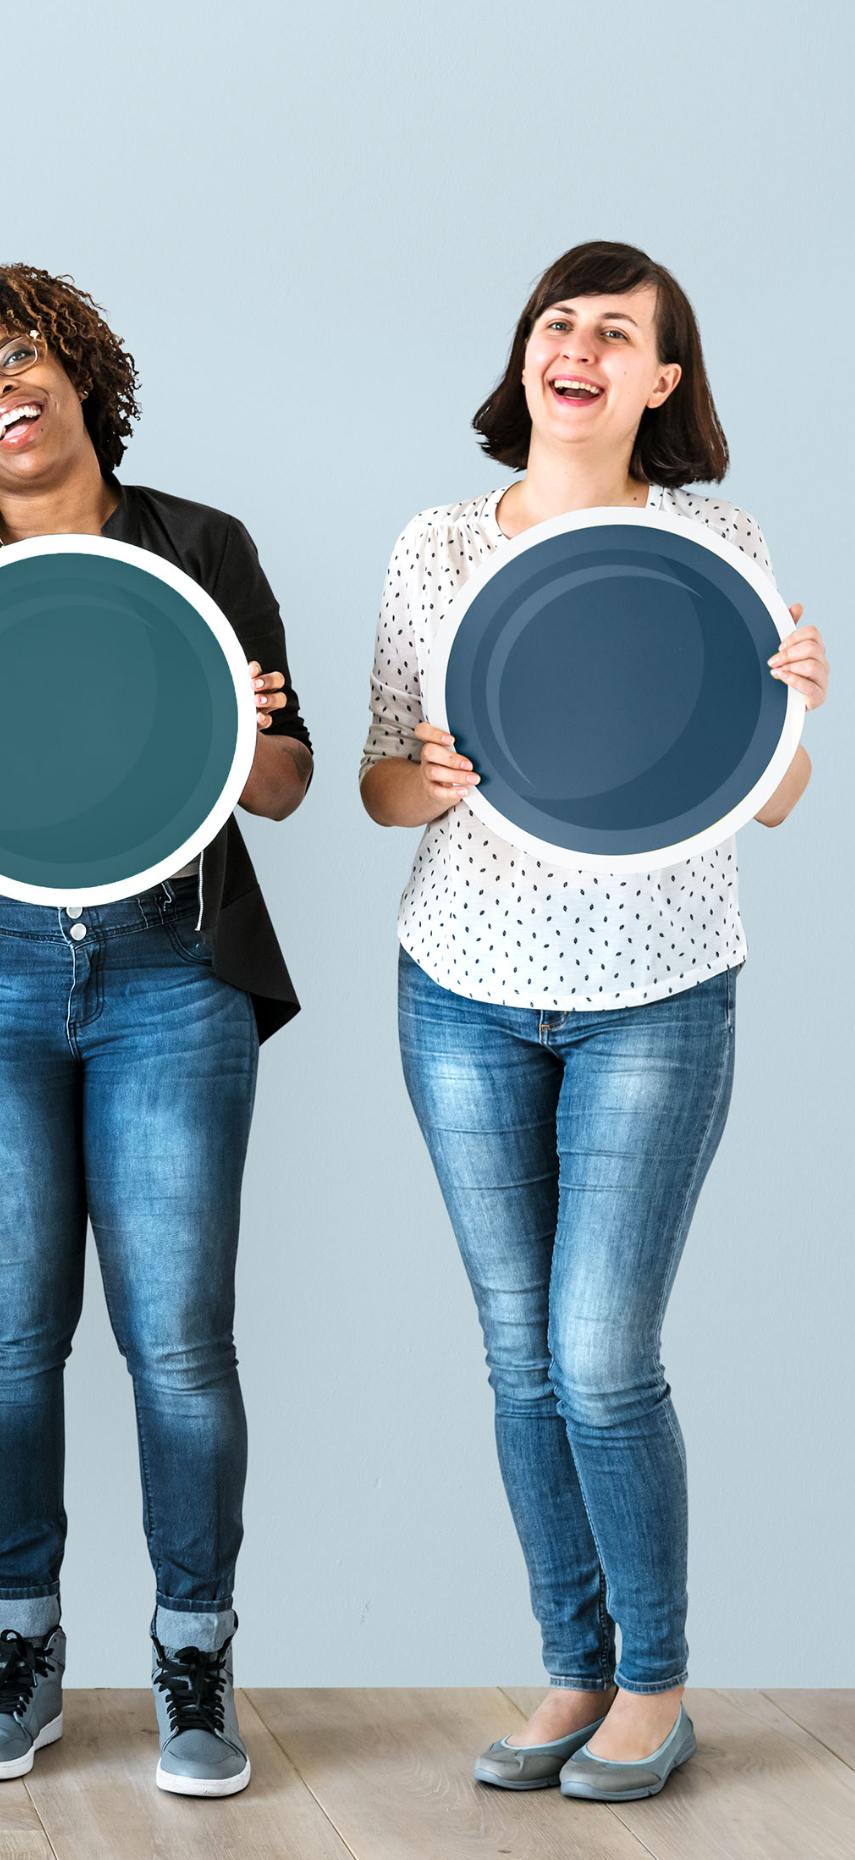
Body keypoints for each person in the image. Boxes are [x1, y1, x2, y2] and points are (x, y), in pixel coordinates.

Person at [359, 241, 826, 1804]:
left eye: (617, 331)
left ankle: (655, 1680)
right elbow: (376, 782)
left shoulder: (715, 543)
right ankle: (568, 1666)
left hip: (657, 993)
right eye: (559, 320)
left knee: (601, 1354)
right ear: (528, 358)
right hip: (462, 989)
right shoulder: (436, 547)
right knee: (517, 1356)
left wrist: (799, 709)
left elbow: (764, 799)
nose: (578, 346)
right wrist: (416, 778)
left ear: (661, 383)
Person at [0, 265, 310, 1799]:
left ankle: (193, 1661)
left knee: (178, 1342)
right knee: (10, 1341)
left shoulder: (197, 550)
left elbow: (287, 780)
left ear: (75, 368)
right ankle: (20, 1650)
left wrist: (253, 728)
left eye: (18, 358)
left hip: (173, 970)